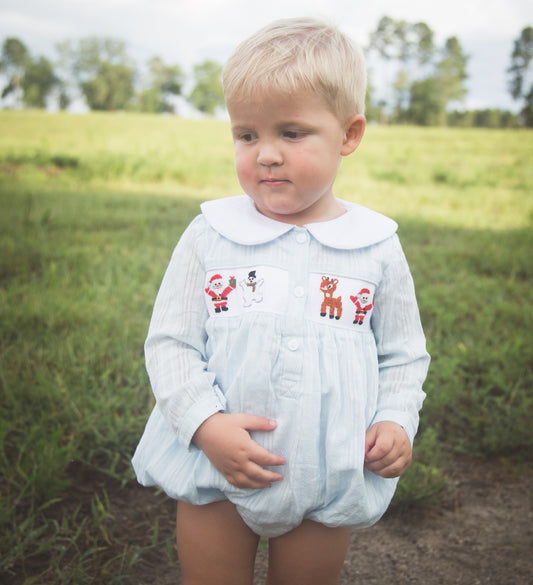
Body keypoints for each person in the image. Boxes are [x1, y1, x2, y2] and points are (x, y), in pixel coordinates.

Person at [132, 16, 430, 585]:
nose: (265, 154)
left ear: (349, 135)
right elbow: (171, 342)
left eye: (291, 134)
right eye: (247, 135)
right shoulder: (211, 235)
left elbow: (403, 353)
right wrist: (205, 425)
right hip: (215, 468)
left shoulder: (375, 248)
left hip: (328, 465)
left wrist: (396, 419)